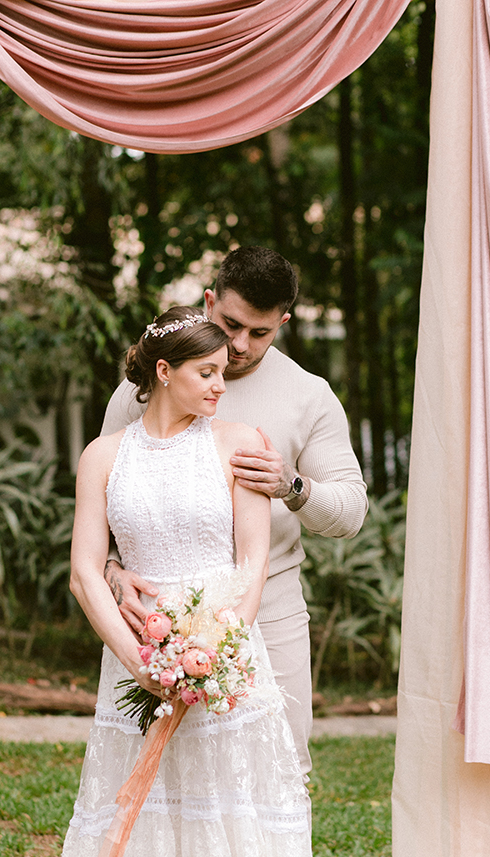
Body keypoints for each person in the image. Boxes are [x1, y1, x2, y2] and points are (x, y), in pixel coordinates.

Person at [0, 307, 402, 857]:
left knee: (228, 804)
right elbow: (85, 573)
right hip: (137, 651)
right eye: (207, 372)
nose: (222, 385)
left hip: (223, 653)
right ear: (164, 373)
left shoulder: (240, 445)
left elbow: (252, 563)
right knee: (148, 804)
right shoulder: (102, 455)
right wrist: (140, 662)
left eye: (224, 373)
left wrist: (216, 649)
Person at [102, 247, 367, 777]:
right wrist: (112, 569)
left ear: (283, 323)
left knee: (279, 769)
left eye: (260, 333)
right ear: (209, 301)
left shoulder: (308, 395)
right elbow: (109, 494)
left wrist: (291, 485)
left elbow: (350, 512)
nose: (241, 345)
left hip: (271, 610)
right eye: (230, 324)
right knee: (162, 775)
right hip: (158, 617)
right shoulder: (146, 388)